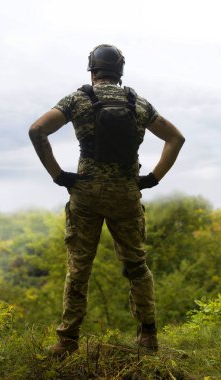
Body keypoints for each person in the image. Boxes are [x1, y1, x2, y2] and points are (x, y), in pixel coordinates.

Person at [28, 44, 185, 357]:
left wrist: (59, 175)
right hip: (126, 195)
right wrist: (152, 178)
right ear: (120, 70)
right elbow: (176, 138)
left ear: (92, 69)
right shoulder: (137, 103)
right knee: (137, 266)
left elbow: (37, 130)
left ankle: (67, 341)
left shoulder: (79, 99)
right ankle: (148, 337)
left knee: (79, 268)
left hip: (86, 195)